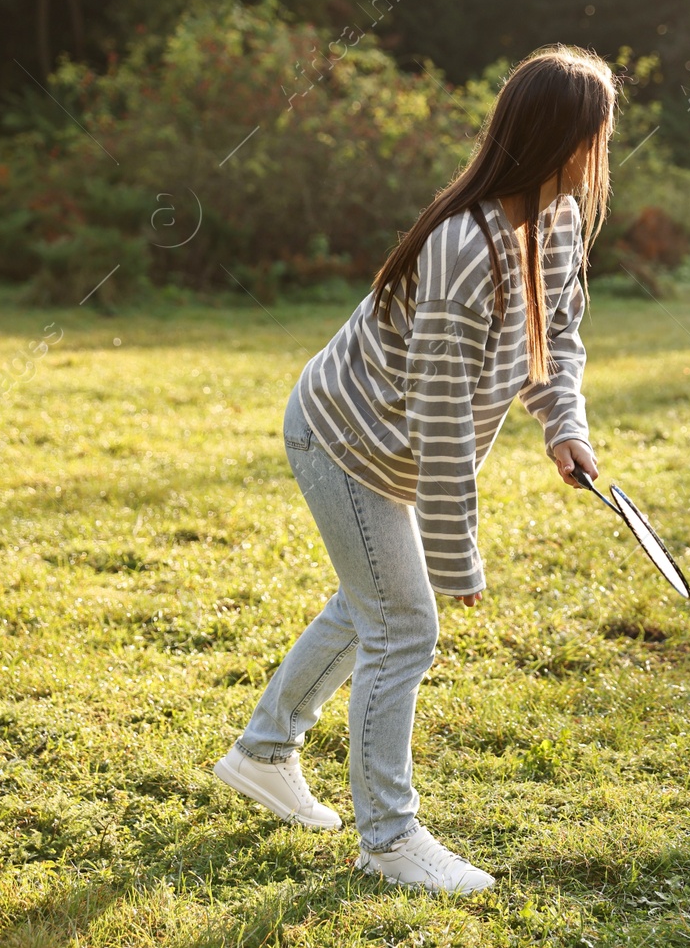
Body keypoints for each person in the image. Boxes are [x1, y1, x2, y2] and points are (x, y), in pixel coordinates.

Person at [213, 45, 616, 894]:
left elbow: (557, 338)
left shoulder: (558, 219)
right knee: (406, 625)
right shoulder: (461, 252)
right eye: (596, 134)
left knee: (373, 608)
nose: (601, 152)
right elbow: (438, 422)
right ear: (560, 139)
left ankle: (263, 750)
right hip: (342, 438)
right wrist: (457, 555)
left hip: (392, 451)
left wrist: (562, 427)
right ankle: (389, 840)